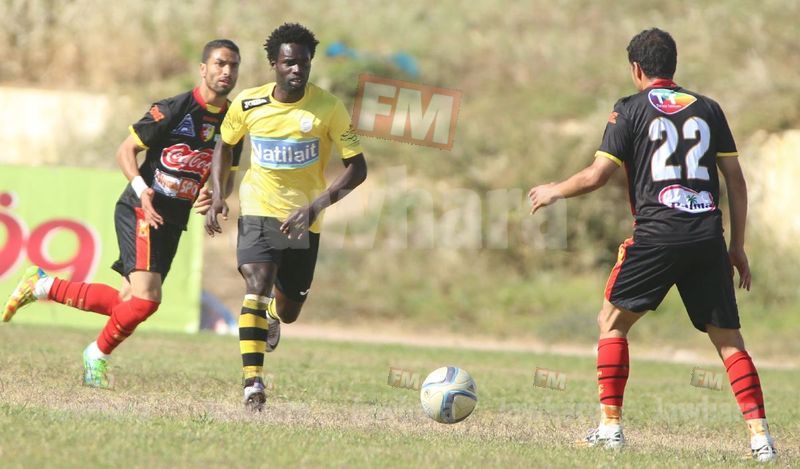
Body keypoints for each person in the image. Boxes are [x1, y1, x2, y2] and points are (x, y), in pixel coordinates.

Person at [528, 28, 777, 462]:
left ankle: (610, 430)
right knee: (730, 342)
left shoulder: (629, 109)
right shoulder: (709, 109)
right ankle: (761, 441)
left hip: (657, 236)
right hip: (707, 238)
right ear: (672, 64)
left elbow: (597, 175)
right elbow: (736, 182)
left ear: (636, 68)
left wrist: (555, 190)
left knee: (611, 323)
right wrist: (737, 246)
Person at [2, 39, 242, 389]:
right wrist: (142, 190)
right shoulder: (174, 108)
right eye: (220, 63)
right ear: (203, 68)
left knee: (128, 301)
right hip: (141, 209)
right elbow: (125, 151)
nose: (227, 71)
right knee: (147, 301)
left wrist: (216, 194)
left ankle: (43, 285)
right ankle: (96, 355)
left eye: (233, 65)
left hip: (173, 219)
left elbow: (227, 175)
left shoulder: (234, 121)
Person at [204, 23, 367, 411]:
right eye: (289, 63)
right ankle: (252, 383)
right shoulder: (248, 104)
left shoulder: (329, 108)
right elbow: (224, 146)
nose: (297, 70)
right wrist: (218, 194)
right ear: (274, 64)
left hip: (304, 218)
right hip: (259, 207)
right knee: (257, 284)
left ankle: (274, 314)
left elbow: (358, 168)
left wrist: (315, 206)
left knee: (289, 310)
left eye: (304, 63)